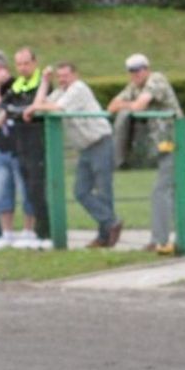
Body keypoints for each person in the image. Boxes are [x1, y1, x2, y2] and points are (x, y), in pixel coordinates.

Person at [29, 61, 122, 248]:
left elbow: (57, 108)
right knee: (80, 191)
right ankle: (111, 223)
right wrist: (45, 82)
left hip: (100, 142)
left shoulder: (78, 89)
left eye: (66, 75)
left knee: (104, 191)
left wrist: (33, 109)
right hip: (85, 148)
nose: (62, 79)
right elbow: (39, 105)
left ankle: (105, 236)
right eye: (59, 76)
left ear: (75, 75)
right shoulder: (61, 92)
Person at [107, 53, 185, 254]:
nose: (136, 74)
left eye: (139, 69)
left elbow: (139, 105)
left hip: (176, 141)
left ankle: (160, 241)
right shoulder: (135, 87)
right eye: (132, 71)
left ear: (147, 68)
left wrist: (128, 106)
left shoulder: (156, 80)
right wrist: (129, 105)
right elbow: (111, 106)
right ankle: (183, 239)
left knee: (160, 191)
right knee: (174, 193)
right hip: (163, 145)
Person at [0, 47, 50, 248]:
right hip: (22, 146)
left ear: (34, 63)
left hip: (39, 145)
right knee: (29, 190)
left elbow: (31, 109)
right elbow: (3, 105)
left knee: (39, 189)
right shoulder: (18, 84)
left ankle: (46, 232)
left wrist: (12, 112)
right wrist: (12, 111)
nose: (23, 67)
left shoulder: (42, 82)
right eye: (19, 64)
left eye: (26, 63)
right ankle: (38, 234)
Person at [0, 49, 28, 248]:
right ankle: (7, 234)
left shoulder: (15, 85)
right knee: (1, 191)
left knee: (25, 190)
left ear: (5, 69)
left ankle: (29, 232)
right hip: (1, 148)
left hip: (20, 147)